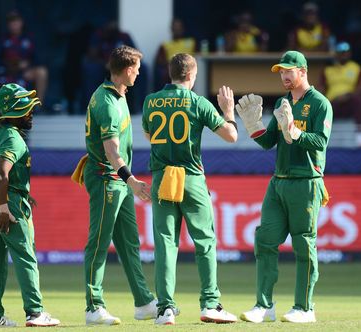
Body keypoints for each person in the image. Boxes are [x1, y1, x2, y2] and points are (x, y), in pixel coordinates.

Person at [142, 53, 239, 325]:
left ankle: (165, 309)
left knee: (164, 244)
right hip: (191, 177)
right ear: (192, 76)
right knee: (205, 241)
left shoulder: (151, 101)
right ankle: (210, 304)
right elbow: (231, 136)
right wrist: (228, 112)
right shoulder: (198, 102)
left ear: (170, 73)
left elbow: (149, 136)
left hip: (162, 177)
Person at [237, 50, 332, 323]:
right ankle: (263, 306)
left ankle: (305, 308)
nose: (284, 76)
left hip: (306, 181)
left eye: (288, 70)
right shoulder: (282, 101)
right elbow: (269, 141)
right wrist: (254, 126)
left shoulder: (320, 104)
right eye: (281, 71)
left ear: (303, 71)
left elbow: (320, 142)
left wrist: (295, 132)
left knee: (303, 243)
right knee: (265, 240)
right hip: (278, 182)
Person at [77, 45, 156, 325]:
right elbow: (111, 151)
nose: (138, 73)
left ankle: (144, 302)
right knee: (98, 243)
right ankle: (93, 306)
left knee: (128, 243)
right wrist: (131, 180)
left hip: (117, 182)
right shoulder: (109, 103)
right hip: (107, 180)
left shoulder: (114, 95)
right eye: (135, 68)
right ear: (125, 70)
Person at [0, 83, 60, 328]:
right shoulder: (13, 138)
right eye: (27, 108)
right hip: (6, 203)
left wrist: (20, 191)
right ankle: (35, 313)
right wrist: (5, 206)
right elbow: (1, 173)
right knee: (25, 257)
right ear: (15, 111)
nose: (31, 113)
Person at [318, 42, 361, 147]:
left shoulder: (356, 68)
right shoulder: (327, 70)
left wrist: (346, 97)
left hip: (349, 102)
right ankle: (320, 136)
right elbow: (321, 89)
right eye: (341, 52)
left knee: (357, 100)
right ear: (336, 54)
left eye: (346, 52)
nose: (344, 54)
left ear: (350, 53)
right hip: (332, 104)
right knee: (323, 106)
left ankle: (360, 134)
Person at [0, 11, 48, 102]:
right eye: (11, 22)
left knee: (42, 72)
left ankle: (38, 104)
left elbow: (37, 58)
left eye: (16, 21)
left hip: (24, 71)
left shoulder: (28, 39)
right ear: (8, 25)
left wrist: (28, 65)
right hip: (8, 71)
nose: (14, 24)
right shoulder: (2, 40)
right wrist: (8, 64)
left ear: (21, 22)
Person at [154, 18, 197, 90]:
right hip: (172, 71)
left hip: (189, 71)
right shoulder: (165, 45)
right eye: (175, 27)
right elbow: (159, 61)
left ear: (183, 28)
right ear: (171, 29)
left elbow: (198, 57)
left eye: (179, 27)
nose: (177, 29)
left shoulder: (191, 42)